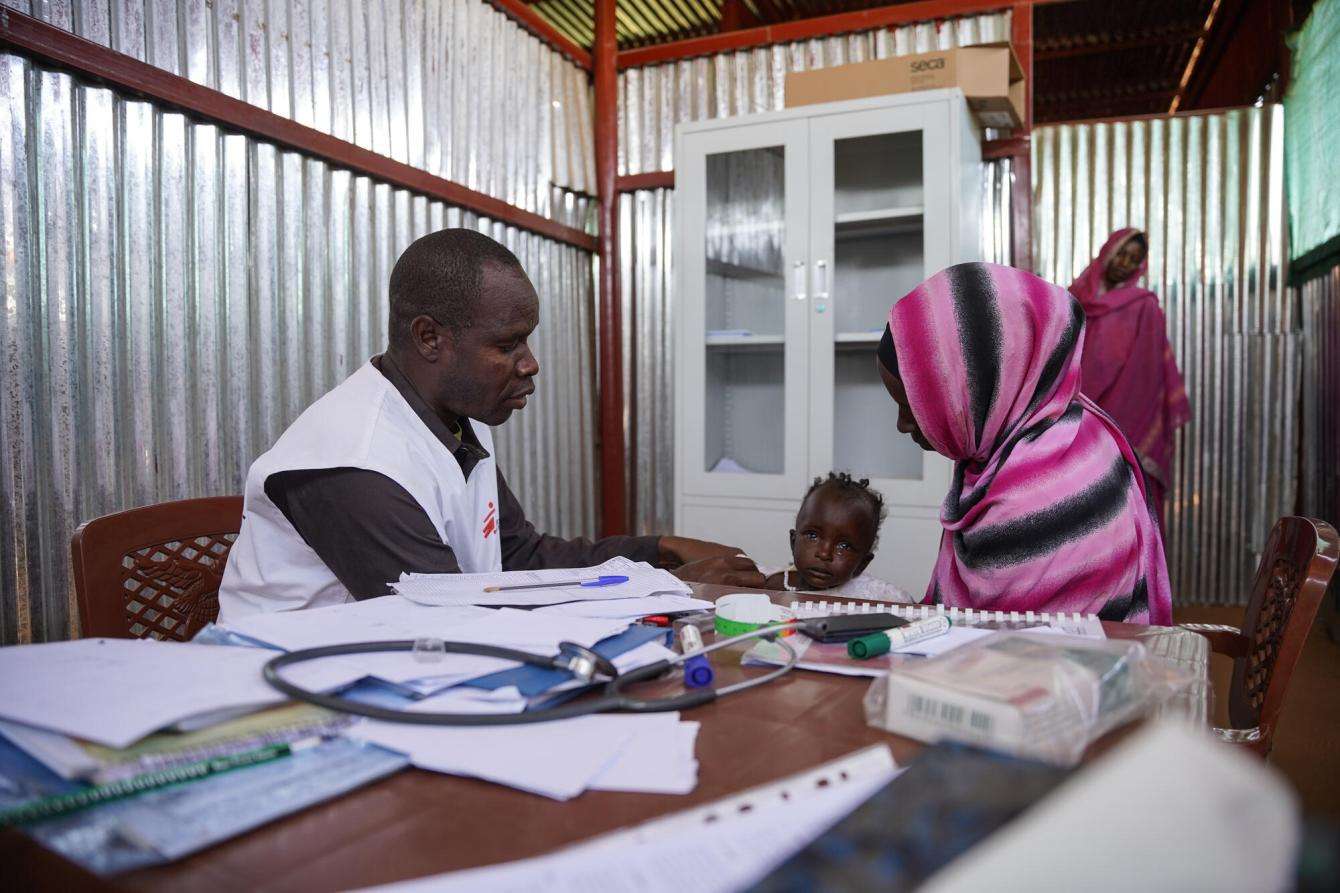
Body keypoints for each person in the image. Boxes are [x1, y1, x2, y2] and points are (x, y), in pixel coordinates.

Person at [219, 229, 762, 620]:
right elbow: (450, 620)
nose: (530, 363)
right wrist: (657, 587)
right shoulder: (352, 460)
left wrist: (659, 550)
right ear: (430, 338)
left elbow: (518, 558)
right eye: (508, 344)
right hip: (289, 707)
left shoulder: (447, 425)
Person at [877, 262, 1173, 625]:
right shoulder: (1061, 431)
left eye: (914, 407)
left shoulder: (1047, 495)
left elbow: (1012, 660)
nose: (901, 425)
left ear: (975, 391)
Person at [1068, 228, 1190, 523]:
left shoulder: (1142, 305)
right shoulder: (1073, 299)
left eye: (1133, 259)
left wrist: (1114, 427)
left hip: (1123, 422)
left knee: (1120, 517)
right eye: (1121, 253)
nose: (1124, 262)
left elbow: (1146, 377)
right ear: (1107, 250)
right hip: (1074, 415)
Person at [758, 473, 912, 602]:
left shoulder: (880, 597)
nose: (824, 554)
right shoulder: (768, 584)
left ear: (862, 564)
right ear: (793, 542)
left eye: (844, 546)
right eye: (812, 535)